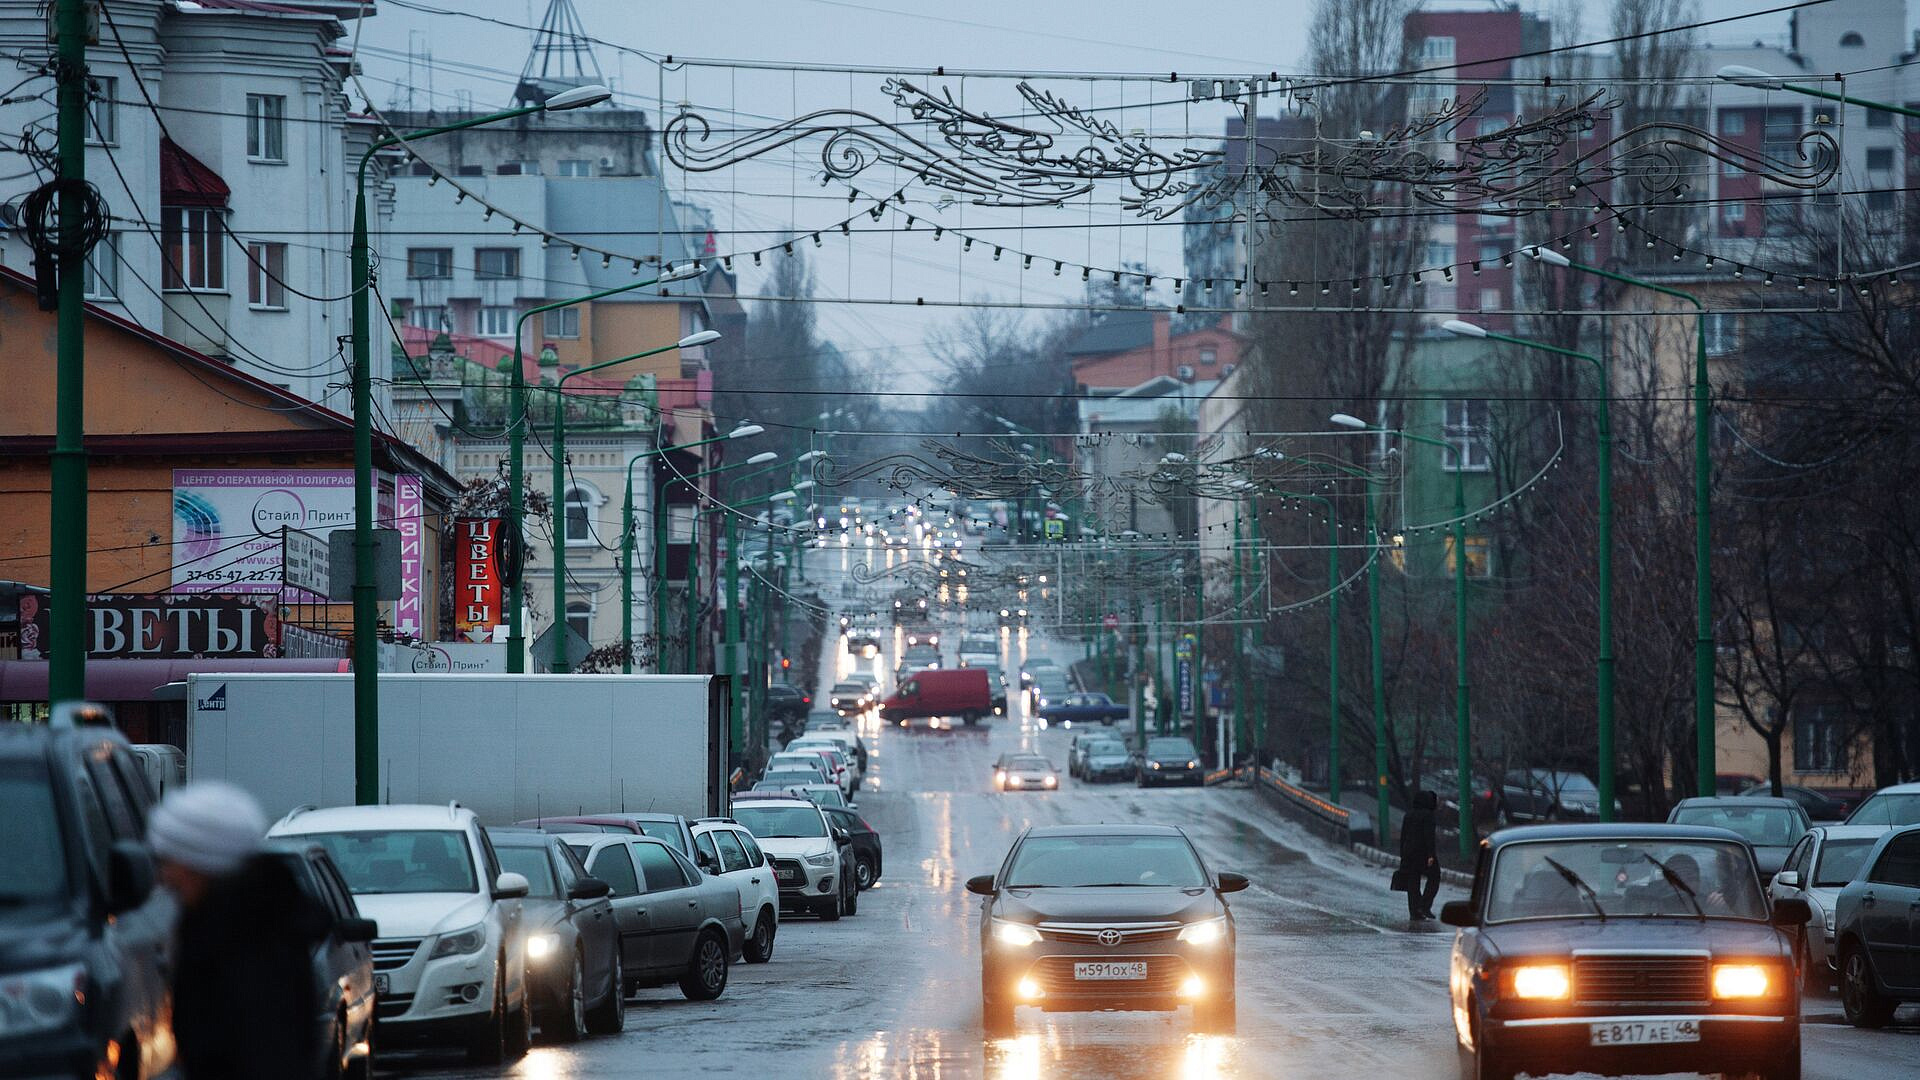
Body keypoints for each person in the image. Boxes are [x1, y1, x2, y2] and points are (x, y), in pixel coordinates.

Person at [148, 781, 329, 1080]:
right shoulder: (254, 921)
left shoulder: (243, 941)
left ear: (199, 862)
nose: (164, 876)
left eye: (168, 860)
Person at [1398, 790, 1441, 921]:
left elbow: (1403, 836)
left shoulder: (1408, 815)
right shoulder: (1428, 816)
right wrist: (1431, 855)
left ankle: (1414, 911)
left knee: (1412, 883)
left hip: (1408, 854)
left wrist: (1402, 854)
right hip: (1423, 854)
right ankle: (1424, 906)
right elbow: (1429, 837)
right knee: (1434, 877)